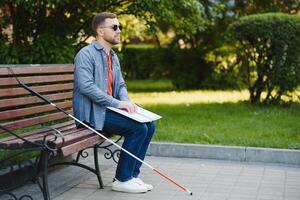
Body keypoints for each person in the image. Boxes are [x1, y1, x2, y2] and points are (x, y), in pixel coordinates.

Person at [72, 12, 156, 194]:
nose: (119, 31)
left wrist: (126, 102)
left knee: (150, 125)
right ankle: (122, 179)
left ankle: (132, 176)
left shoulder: (113, 56)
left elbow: (120, 85)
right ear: (100, 31)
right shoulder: (85, 55)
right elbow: (86, 87)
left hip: (108, 110)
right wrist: (117, 104)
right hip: (91, 114)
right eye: (114, 27)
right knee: (138, 129)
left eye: (120, 27)